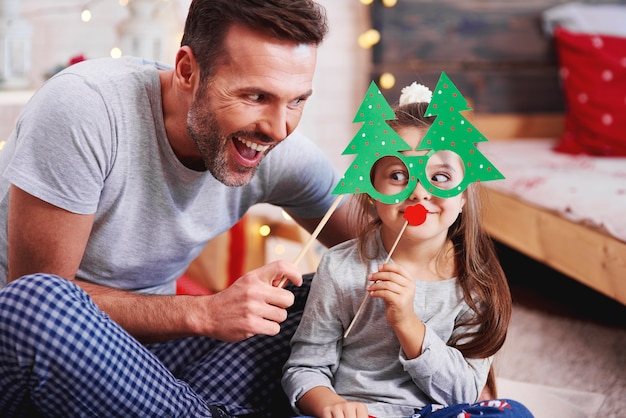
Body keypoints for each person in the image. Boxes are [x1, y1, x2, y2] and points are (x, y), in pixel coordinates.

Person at [0, 0, 353, 417]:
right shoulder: (86, 108)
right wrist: (203, 312)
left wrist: (430, 193)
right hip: (44, 362)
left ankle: (192, 410)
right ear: (187, 70)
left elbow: (387, 244)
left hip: (160, 367)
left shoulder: (274, 148)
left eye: (296, 101)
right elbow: (35, 300)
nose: (278, 129)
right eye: (256, 96)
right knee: (39, 301)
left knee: (329, 288)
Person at [281, 83, 534, 418]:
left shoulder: (475, 283)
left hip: (436, 413)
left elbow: (465, 393)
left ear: (462, 197)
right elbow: (304, 368)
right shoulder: (340, 268)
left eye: (441, 176)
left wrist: (408, 323)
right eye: (399, 175)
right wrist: (330, 404)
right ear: (372, 190)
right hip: (360, 412)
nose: (418, 191)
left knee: (512, 413)